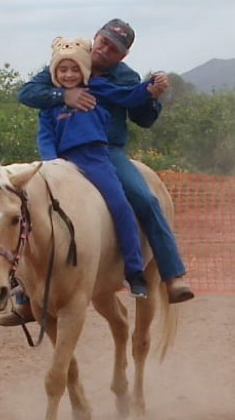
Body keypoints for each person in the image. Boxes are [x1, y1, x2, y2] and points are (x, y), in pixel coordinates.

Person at [0, 19, 193, 327]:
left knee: (143, 198)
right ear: (95, 37)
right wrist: (64, 96)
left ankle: (172, 274)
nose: (103, 49)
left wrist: (151, 95)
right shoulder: (70, 60)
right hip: (58, 153)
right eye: (102, 41)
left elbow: (141, 115)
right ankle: (24, 294)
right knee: (25, 205)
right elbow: (27, 93)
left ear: (122, 56)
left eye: (112, 48)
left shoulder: (123, 77)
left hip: (105, 151)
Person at [38, 36, 168, 298]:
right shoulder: (49, 105)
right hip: (61, 162)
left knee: (120, 205)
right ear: (55, 72)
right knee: (32, 208)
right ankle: (25, 288)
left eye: (75, 69)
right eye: (63, 69)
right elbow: (45, 137)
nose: (69, 74)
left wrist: (150, 89)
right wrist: (51, 164)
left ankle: (134, 271)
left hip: (94, 157)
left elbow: (127, 95)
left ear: (84, 70)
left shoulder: (98, 87)